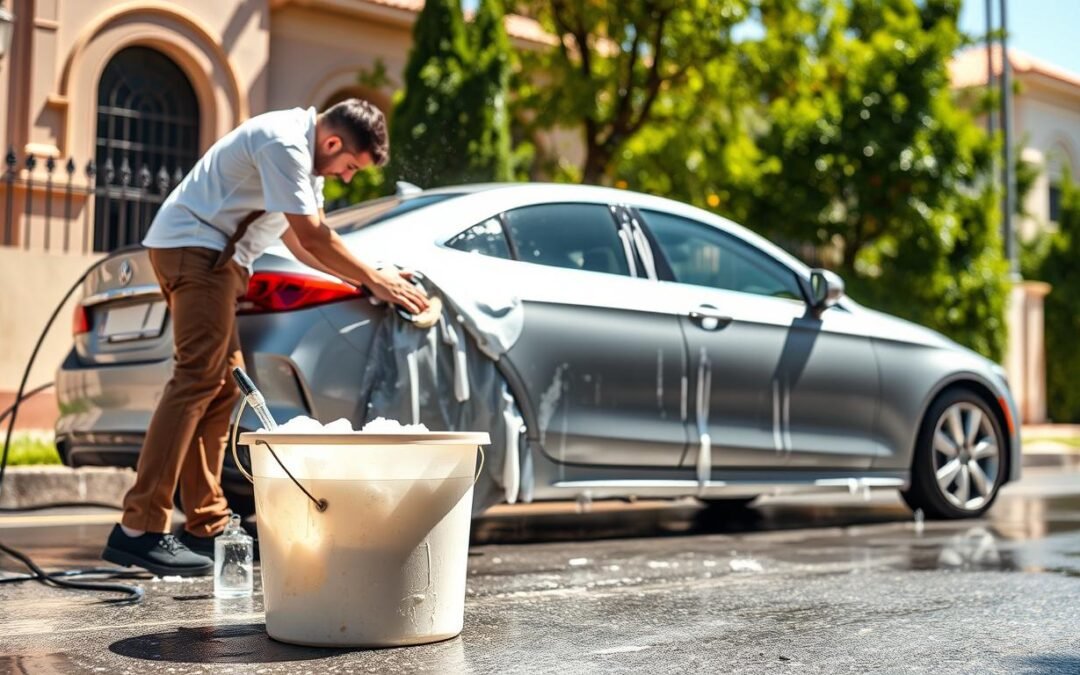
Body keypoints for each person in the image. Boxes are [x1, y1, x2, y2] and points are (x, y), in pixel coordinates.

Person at [102, 99, 428, 576]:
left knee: (223, 387)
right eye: (350, 167)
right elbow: (312, 237)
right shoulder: (284, 143)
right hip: (198, 253)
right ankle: (138, 528)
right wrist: (376, 281)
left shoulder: (304, 162)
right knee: (196, 379)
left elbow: (301, 242)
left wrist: (368, 276)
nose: (347, 177)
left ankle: (206, 526)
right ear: (332, 142)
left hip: (213, 260)